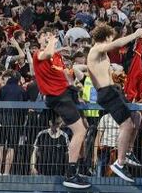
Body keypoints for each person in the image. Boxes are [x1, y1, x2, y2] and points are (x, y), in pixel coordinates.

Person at [86, 24, 142, 183]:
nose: (113, 40)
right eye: (111, 37)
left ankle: (128, 152)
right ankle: (119, 163)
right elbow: (116, 44)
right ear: (106, 37)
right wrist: (136, 34)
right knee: (127, 125)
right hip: (107, 92)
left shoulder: (101, 55)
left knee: (136, 116)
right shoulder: (96, 49)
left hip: (112, 90)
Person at [33, 27, 90, 190]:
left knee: (84, 128)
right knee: (80, 131)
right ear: (39, 40)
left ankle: (81, 168)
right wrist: (51, 41)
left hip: (66, 94)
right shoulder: (38, 54)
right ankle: (71, 174)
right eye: (43, 35)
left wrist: (75, 93)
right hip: (57, 97)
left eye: (49, 35)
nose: (47, 37)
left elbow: (65, 74)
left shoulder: (57, 56)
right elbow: (47, 54)